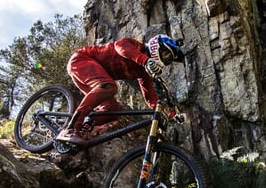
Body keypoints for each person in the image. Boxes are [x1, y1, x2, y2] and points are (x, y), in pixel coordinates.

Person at [56, 34, 184, 147]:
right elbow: (122, 48)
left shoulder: (143, 72)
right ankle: (70, 129)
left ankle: (84, 126)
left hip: (95, 80)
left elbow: (151, 98)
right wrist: (145, 60)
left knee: (112, 110)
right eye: (166, 54)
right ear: (157, 46)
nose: (165, 59)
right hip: (81, 60)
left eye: (168, 60)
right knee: (109, 86)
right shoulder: (134, 46)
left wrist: (171, 115)